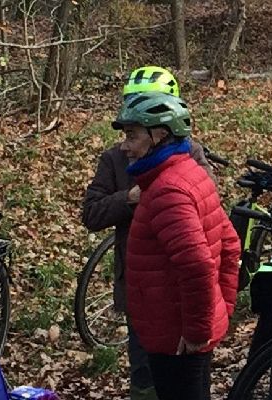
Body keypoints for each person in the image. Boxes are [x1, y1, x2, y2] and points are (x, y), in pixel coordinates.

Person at [80, 65, 210, 400]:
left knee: (190, 380)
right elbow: (91, 213)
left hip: (180, 292)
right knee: (144, 377)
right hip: (140, 291)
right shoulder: (115, 158)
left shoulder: (190, 155)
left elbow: (208, 225)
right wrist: (129, 198)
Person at [115, 91, 242, 400]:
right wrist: (217, 312)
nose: (124, 146)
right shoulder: (190, 174)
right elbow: (230, 244)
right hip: (182, 333)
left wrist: (200, 330)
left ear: (159, 135)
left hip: (176, 340)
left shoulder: (168, 190)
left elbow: (198, 263)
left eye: (132, 135)